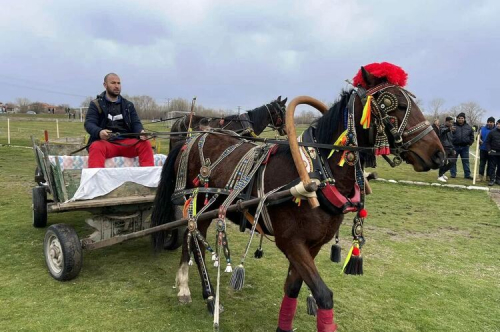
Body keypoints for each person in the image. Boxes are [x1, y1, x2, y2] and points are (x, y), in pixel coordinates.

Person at [84, 73, 154, 168]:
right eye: (113, 83)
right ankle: (96, 180)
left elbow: (135, 123)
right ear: (105, 85)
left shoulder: (128, 105)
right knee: (96, 147)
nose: (117, 86)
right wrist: (99, 132)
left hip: (126, 143)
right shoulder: (96, 104)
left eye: (118, 83)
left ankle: (148, 180)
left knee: (145, 144)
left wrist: (140, 132)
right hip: (106, 144)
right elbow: (89, 123)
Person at [450, 112, 474, 179]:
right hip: (455, 146)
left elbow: (472, 136)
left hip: (465, 147)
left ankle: (467, 175)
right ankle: (453, 174)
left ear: (464, 119)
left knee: (465, 161)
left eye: (462, 118)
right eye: (459, 118)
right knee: (453, 161)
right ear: (457, 119)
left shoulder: (468, 127)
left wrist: (470, 142)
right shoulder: (453, 126)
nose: (461, 119)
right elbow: (449, 135)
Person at [437, 117, 457, 182]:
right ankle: (440, 176)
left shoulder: (451, 129)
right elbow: (442, 131)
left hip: (451, 148)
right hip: (444, 147)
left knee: (453, 162)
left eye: (452, 122)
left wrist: (453, 148)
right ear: (446, 122)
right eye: (450, 122)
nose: (451, 123)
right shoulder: (442, 127)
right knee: (443, 162)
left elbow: (451, 139)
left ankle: (442, 173)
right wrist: (449, 129)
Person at [478, 117, 495, 181]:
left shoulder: (496, 129)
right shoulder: (482, 129)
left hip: (492, 149)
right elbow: (478, 137)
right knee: (482, 163)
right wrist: (479, 139)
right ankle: (480, 176)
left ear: (494, 123)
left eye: (491, 122)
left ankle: (488, 176)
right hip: (483, 148)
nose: (489, 123)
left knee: (490, 164)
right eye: (488, 122)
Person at [485, 119, 500, 186]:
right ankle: (492, 179)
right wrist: (489, 150)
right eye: (498, 124)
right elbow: (487, 142)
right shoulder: (492, 132)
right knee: (492, 167)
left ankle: (498, 179)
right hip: (493, 152)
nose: (499, 125)